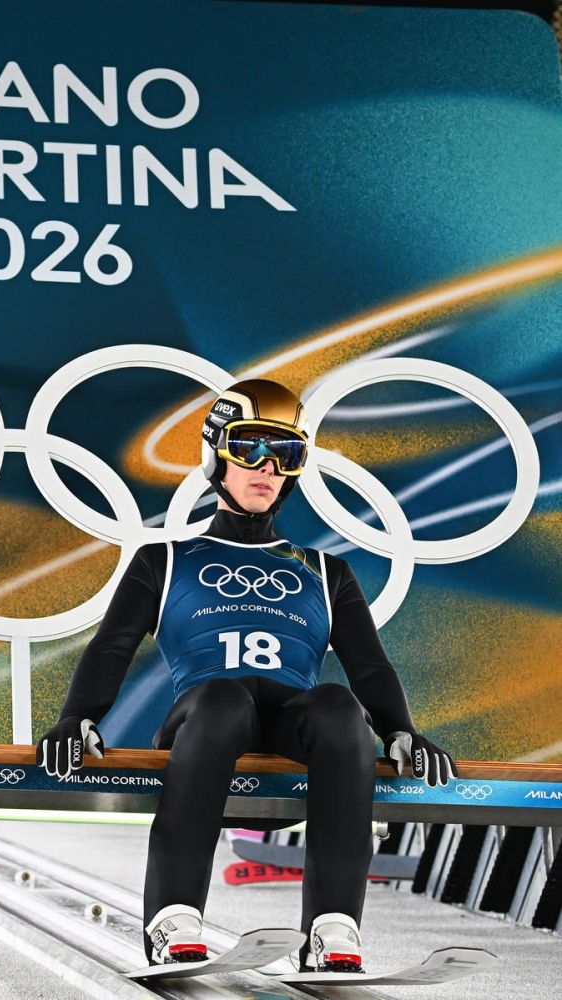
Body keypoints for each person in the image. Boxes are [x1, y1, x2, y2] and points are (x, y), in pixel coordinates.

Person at [37, 378, 457, 971]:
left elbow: (369, 665)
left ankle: (332, 929)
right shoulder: (164, 558)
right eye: (249, 446)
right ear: (216, 454)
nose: (267, 467)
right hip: (205, 721)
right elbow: (112, 647)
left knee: (339, 706)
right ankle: (173, 917)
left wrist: (401, 730)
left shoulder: (326, 571)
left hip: (292, 728)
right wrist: (77, 717)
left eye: (286, 453)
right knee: (223, 698)